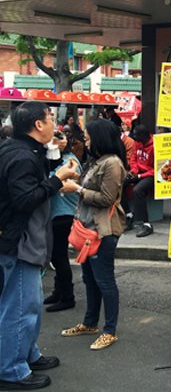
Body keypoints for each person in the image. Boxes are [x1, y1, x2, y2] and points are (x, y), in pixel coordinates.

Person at [0, 101, 79, 390]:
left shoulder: (20, 149)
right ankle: (11, 369)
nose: (54, 124)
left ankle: (27, 354)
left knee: (29, 304)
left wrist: (54, 156)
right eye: (50, 118)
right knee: (19, 307)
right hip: (20, 241)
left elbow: (31, 182)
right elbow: (24, 199)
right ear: (38, 125)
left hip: (25, 240)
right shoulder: (21, 156)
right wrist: (57, 180)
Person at [60, 118, 127, 351]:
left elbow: (107, 198)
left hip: (103, 230)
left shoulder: (113, 163)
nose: (86, 143)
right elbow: (92, 186)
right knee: (89, 278)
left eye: (88, 138)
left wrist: (77, 188)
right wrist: (76, 179)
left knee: (104, 280)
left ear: (99, 138)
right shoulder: (97, 161)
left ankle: (110, 331)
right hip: (87, 228)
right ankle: (90, 323)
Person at [44, 131, 82, 312]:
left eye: (58, 140)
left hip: (64, 214)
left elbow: (65, 184)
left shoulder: (71, 161)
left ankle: (68, 296)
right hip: (54, 213)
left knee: (59, 256)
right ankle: (58, 291)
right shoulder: (52, 159)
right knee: (56, 255)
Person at [124, 124, 155, 237]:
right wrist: (134, 171)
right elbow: (133, 159)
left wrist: (140, 177)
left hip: (151, 175)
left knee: (138, 190)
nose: (134, 137)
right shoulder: (137, 143)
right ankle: (129, 215)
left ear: (143, 136)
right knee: (120, 183)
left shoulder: (154, 146)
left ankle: (146, 224)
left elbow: (157, 169)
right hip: (139, 173)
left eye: (136, 135)